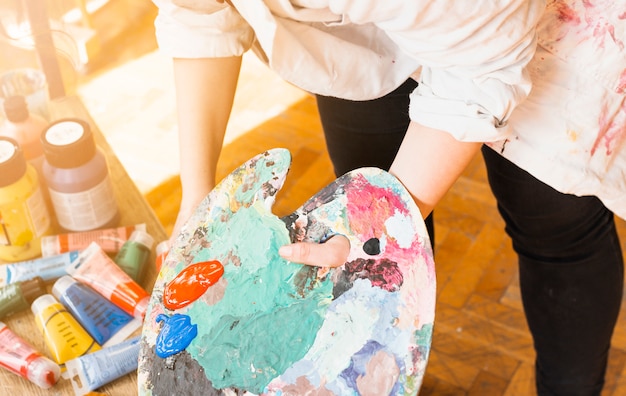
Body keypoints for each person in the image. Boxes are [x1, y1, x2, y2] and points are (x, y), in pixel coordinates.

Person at [150, 0, 625, 394]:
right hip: (362, 27)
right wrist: (197, 197)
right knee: (370, 231)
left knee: (554, 231)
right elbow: (198, 14)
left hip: (534, 30)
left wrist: (373, 231)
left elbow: (479, 69)